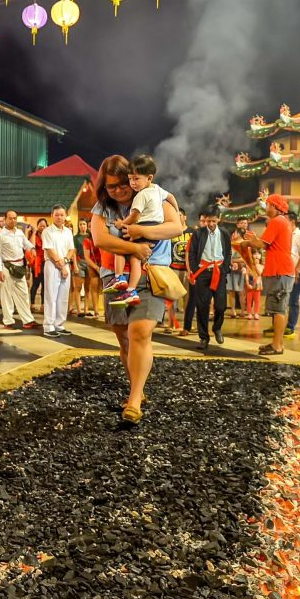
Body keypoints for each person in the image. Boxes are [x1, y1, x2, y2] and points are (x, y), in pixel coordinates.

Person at [90, 155, 181, 424]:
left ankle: (134, 400)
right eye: (111, 186)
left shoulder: (153, 195)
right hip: (115, 277)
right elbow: (99, 239)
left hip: (151, 274)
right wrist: (134, 247)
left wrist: (142, 232)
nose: (118, 190)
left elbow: (176, 226)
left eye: (122, 184)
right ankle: (136, 391)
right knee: (124, 338)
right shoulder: (102, 208)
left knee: (139, 331)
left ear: (133, 178)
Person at [110, 155, 169, 307]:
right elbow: (171, 196)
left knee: (119, 246)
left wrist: (121, 223)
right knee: (135, 258)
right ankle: (130, 290)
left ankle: (120, 278)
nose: (132, 183)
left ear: (149, 178)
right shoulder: (157, 189)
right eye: (130, 179)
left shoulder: (141, 196)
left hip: (144, 226)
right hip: (154, 230)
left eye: (136, 179)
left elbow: (134, 216)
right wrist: (175, 208)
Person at [241, 194, 295, 355]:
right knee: (277, 309)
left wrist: (246, 243)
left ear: (275, 207)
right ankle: (276, 343)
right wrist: (254, 239)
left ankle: (277, 345)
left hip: (280, 271)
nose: (266, 208)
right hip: (280, 270)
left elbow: (261, 244)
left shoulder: (277, 221)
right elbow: (266, 244)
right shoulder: (282, 222)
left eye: (268, 205)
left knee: (278, 309)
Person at [187, 204, 231, 349]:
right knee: (202, 306)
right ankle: (203, 337)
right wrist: (194, 270)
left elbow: (228, 252)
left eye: (213, 221)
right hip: (203, 272)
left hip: (219, 271)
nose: (211, 224)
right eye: (208, 221)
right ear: (204, 220)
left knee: (221, 305)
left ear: (219, 219)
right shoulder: (198, 233)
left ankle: (217, 328)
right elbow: (192, 253)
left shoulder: (224, 233)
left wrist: (225, 268)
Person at [0, 210, 37, 329]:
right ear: (5, 219)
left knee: (23, 293)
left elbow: (26, 244)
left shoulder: (19, 232)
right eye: (10, 218)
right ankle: (8, 321)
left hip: (20, 266)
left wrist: (32, 248)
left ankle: (28, 320)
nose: (13, 220)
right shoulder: (0, 235)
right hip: (7, 266)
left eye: (15, 218)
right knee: (6, 294)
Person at [41, 205, 76, 338]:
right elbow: (50, 251)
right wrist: (61, 266)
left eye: (62, 214)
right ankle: (48, 325)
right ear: (52, 215)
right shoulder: (47, 231)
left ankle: (59, 324)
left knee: (63, 296)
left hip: (65, 263)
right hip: (52, 265)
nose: (60, 217)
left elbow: (71, 249)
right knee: (51, 295)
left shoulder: (67, 231)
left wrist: (66, 261)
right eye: (57, 215)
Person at [178, 213, 203, 336]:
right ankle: (186, 327)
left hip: (209, 270)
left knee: (205, 301)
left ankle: (202, 328)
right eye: (203, 221)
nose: (205, 223)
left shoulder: (217, 235)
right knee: (191, 299)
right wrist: (190, 270)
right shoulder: (195, 235)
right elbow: (188, 253)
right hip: (194, 270)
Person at [71, 218, 89, 318]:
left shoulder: (90, 236)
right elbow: (74, 252)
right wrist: (75, 265)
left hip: (89, 262)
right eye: (81, 224)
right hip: (79, 261)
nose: (82, 226)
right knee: (78, 287)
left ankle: (86, 309)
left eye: (84, 224)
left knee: (87, 287)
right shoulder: (75, 238)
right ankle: (79, 309)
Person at [29, 218, 47, 311]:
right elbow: (31, 245)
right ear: (37, 226)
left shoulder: (48, 235)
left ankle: (43, 304)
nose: (42, 227)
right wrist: (33, 232)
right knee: (35, 283)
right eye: (40, 225)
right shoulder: (34, 236)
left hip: (46, 262)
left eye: (44, 226)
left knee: (44, 284)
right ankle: (32, 304)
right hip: (36, 262)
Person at [227, 231, 245, 319]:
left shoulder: (243, 244)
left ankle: (243, 310)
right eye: (233, 233)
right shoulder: (230, 245)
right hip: (230, 270)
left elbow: (244, 259)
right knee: (231, 291)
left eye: (235, 233)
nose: (233, 234)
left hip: (240, 270)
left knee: (241, 292)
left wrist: (234, 261)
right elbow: (227, 257)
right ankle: (233, 310)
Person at [244, 250, 263, 320]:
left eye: (258, 254)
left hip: (257, 285)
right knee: (249, 300)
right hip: (250, 284)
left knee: (257, 300)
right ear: (252, 255)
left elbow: (259, 273)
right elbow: (246, 274)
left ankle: (256, 313)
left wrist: (256, 265)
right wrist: (247, 283)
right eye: (255, 254)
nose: (257, 255)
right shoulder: (248, 265)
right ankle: (249, 313)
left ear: (261, 256)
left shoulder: (261, 265)